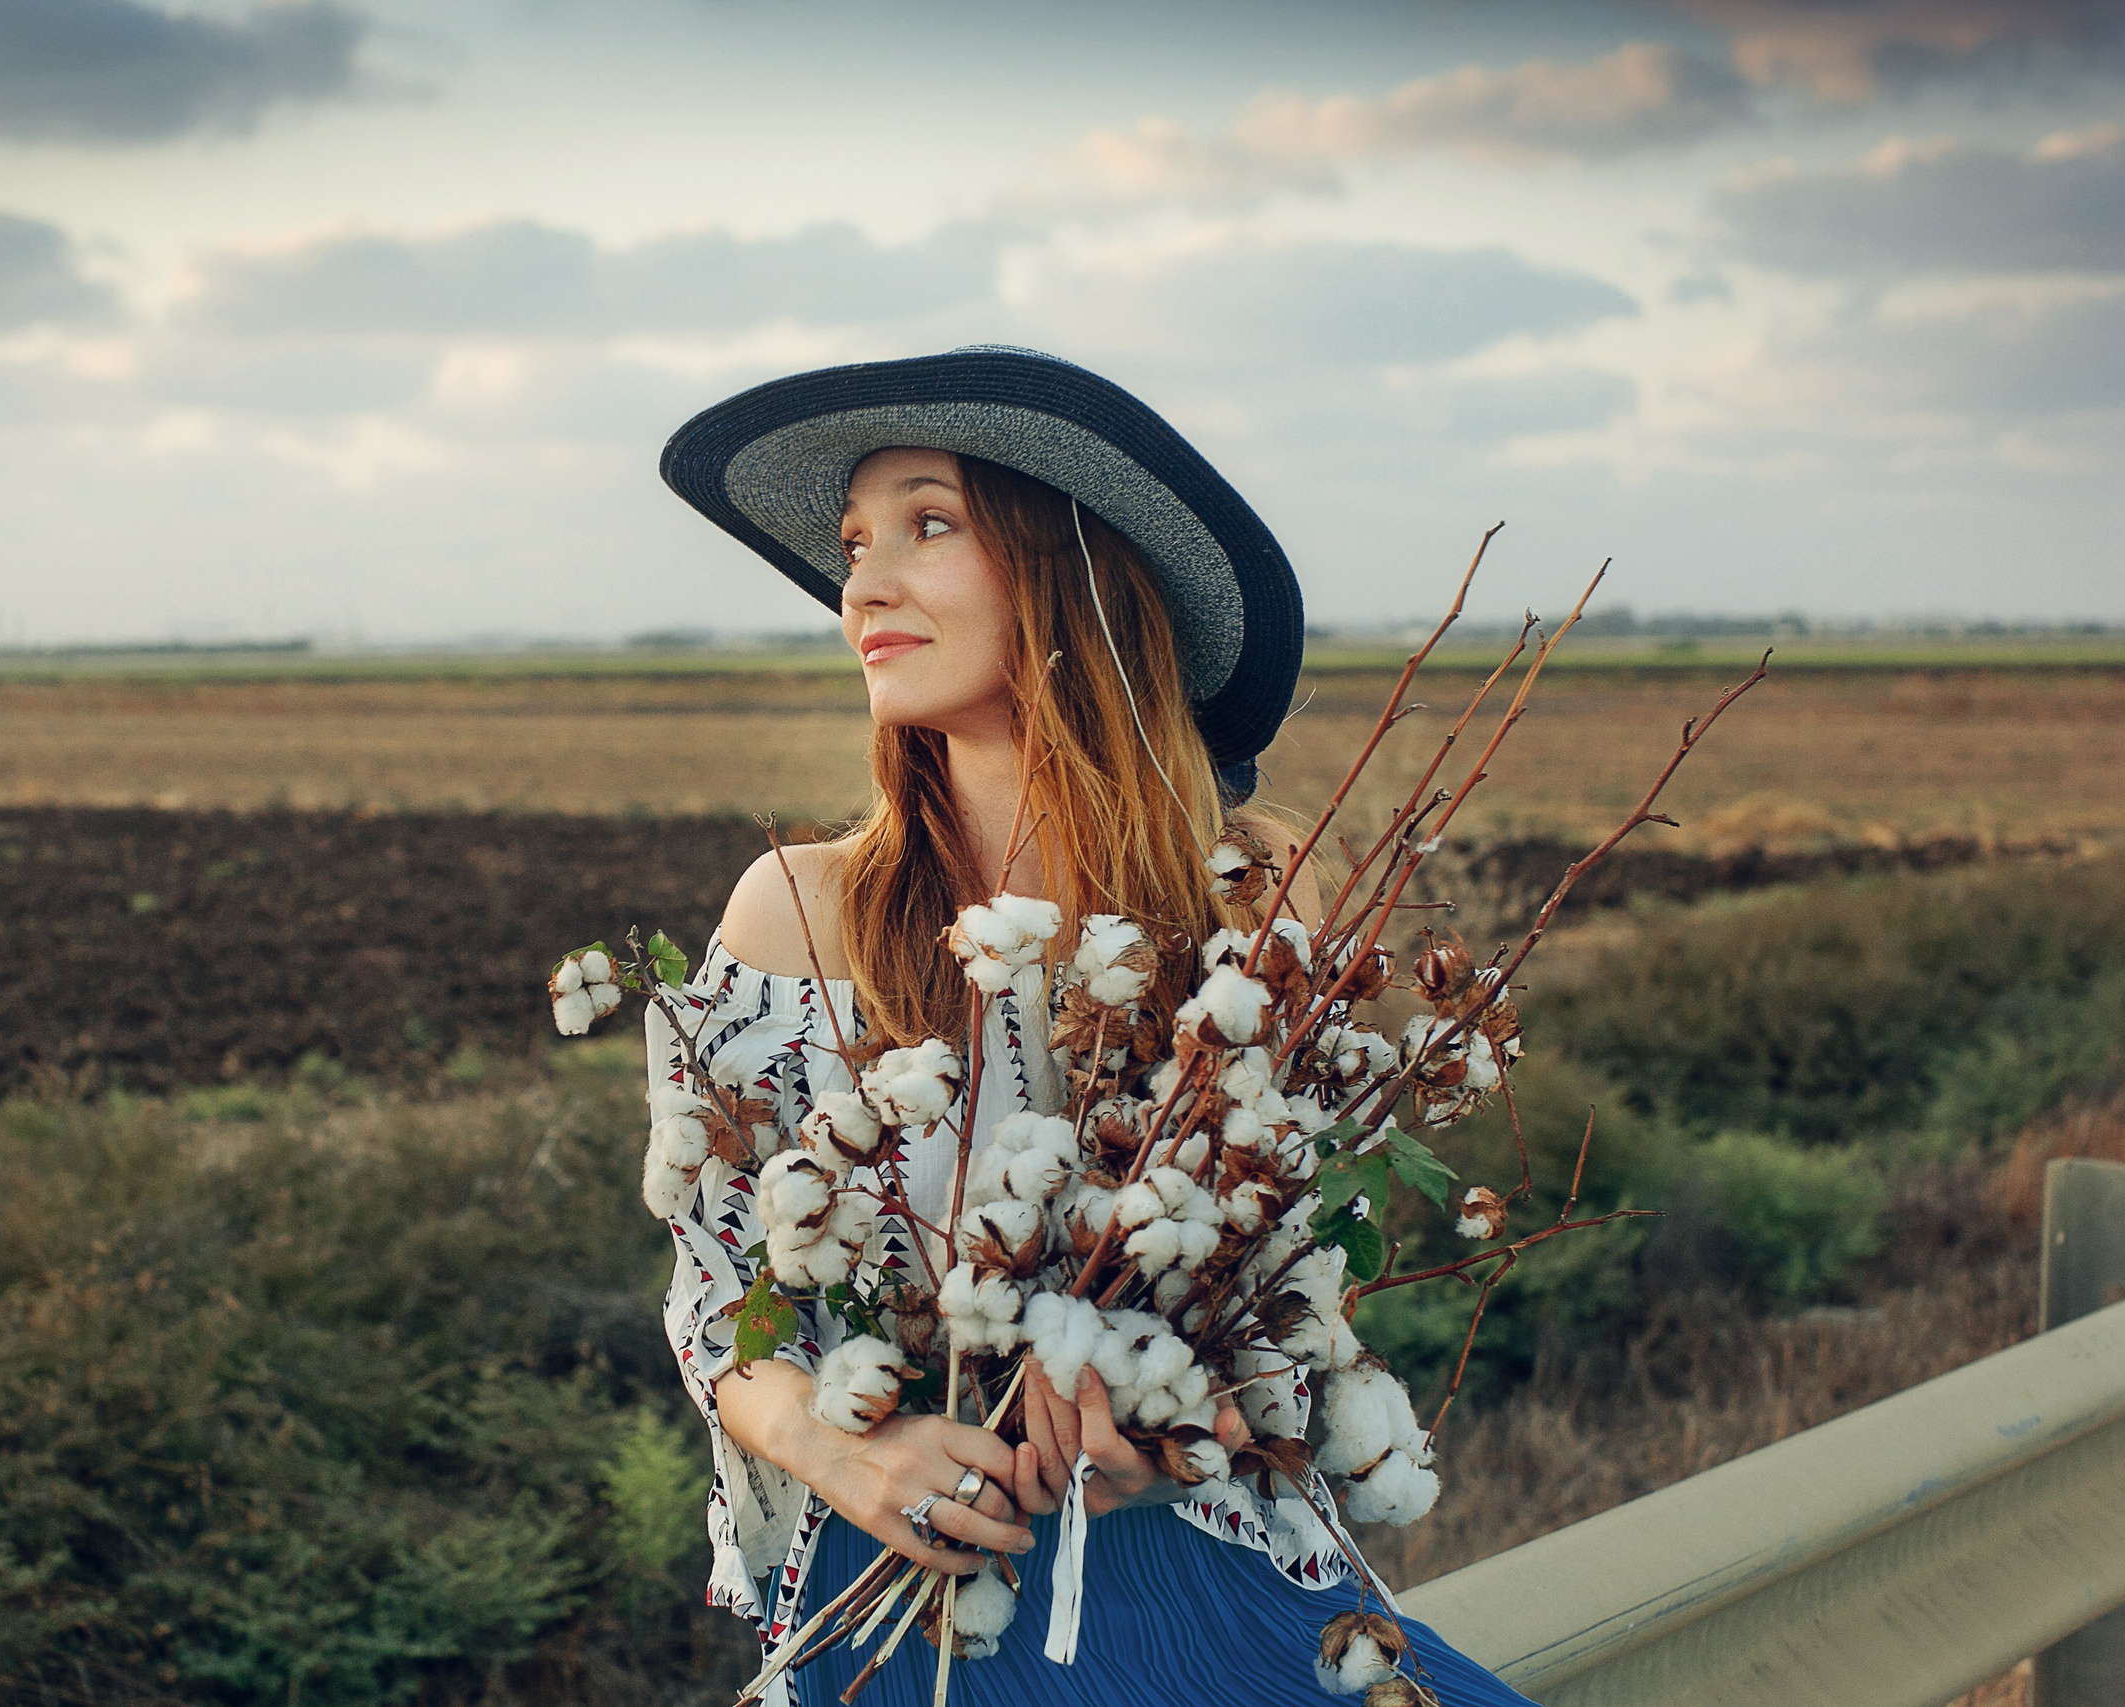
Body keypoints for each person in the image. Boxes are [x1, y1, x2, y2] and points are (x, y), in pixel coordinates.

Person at [648, 349, 1529, 1705]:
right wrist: (848, 1456)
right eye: (853, 545)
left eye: (928, 525)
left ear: (1072, 576)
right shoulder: (800, 915)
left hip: (1228, 1582)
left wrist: (1184, 1428)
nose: (863, 585)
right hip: (936, 1611)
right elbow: (716, 1300)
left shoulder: (1248, 923)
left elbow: (1296, 1311)